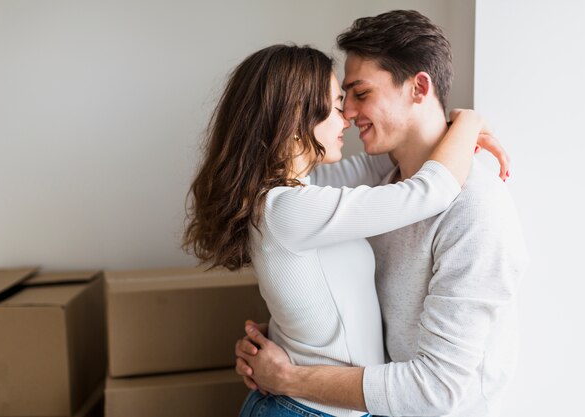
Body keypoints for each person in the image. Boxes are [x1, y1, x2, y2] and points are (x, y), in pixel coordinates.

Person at [183, 44, 506, 417]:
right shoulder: (289, 207)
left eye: (357, 96)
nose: (347, 118)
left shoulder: (298, 192)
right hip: (306, 409)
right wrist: (469, 121)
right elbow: (430, 192)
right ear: (295, 120)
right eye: (338, 106)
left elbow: (390, 162)